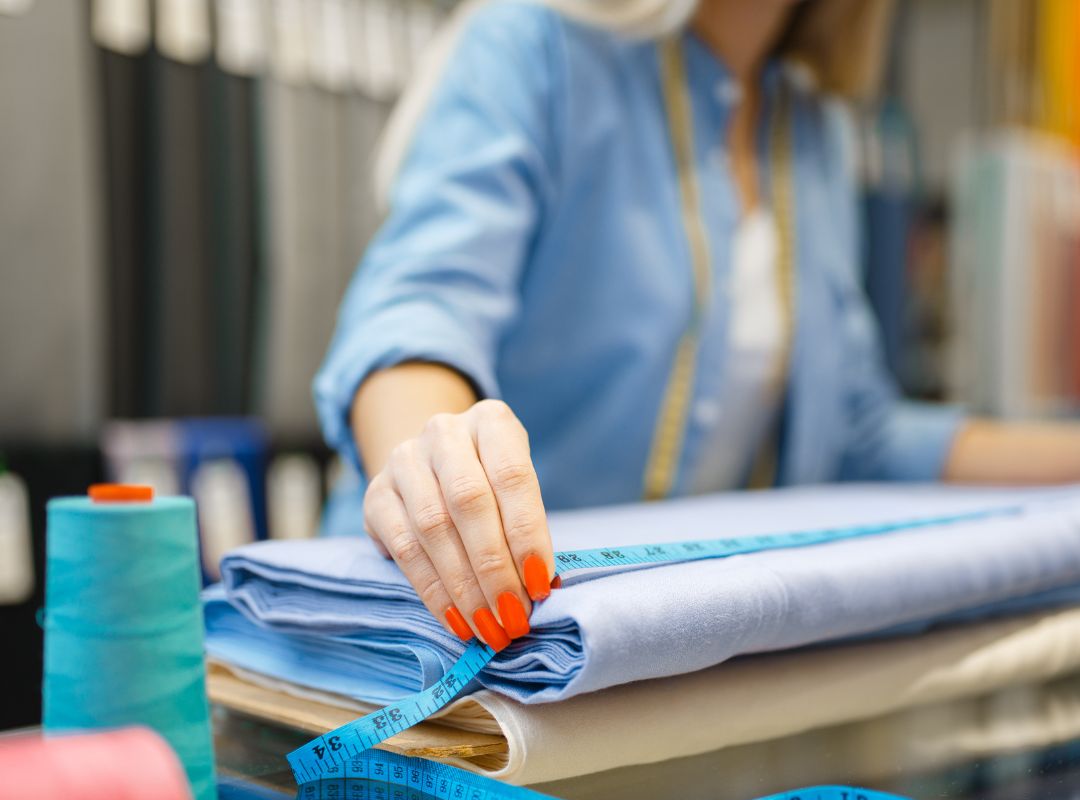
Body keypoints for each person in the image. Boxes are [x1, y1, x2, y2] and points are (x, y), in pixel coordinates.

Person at [314, 0, 1080, 654]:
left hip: (639, 660)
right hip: (450, 634)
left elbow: (860, 433)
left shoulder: (816, 133)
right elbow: (419, 308)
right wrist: (433, 458)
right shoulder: (534, 43)